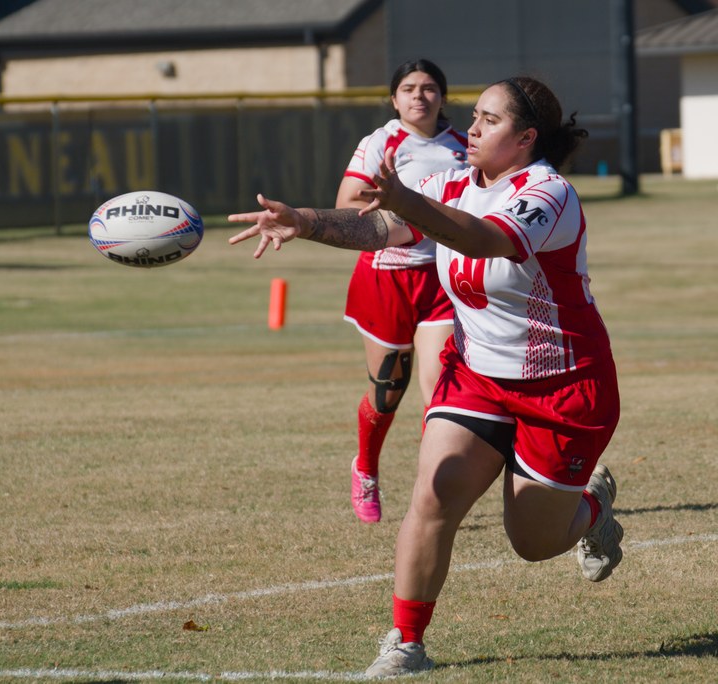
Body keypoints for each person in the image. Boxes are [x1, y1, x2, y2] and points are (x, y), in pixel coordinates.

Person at [228, 75, 623, 677]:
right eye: (475, 115)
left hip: (562, 387)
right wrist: (304, 221)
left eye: (490, 121)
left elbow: (484, 238)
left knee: (533, 543)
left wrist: (407, 200)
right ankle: (406, 643)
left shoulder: (548, 193)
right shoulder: (451, 182)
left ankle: (593, 510)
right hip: (477, 376)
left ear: (525, 139)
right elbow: (382, 229)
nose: (472, 127)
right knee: (433, 493)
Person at [337, 59, 468, 524]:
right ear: (394, 99)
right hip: (385, 276)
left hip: (440, 279)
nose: (419, 96)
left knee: (441, 392)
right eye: (409, 88)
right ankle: (366, 468)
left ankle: (430, 491)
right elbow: (346, 205)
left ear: (442, 97)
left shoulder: (462, 147)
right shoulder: (381, 141)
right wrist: (410, 221)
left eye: (430, 87)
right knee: (388, 391)